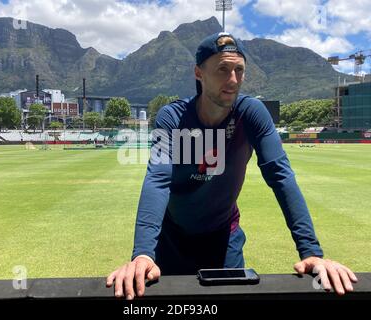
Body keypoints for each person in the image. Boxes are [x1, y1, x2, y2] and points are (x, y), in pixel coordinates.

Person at [106, 32, 358, 299]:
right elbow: (158, 179)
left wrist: (311, 253)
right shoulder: (173, 117)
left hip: (225, 241)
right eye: (223, 70)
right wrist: (143, 253)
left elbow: (280, 175)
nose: (233, 80)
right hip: (171, 241)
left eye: (239, 70)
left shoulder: (251, 114)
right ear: (199, 73)